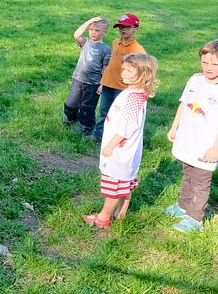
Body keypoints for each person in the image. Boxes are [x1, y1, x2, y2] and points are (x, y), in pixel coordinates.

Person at [83, 53, 158, 228]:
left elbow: (126, 128)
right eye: (123, 69)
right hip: (126, 150)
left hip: (119, 150)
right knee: (124, 181)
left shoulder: (133, 98)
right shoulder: (136, 92)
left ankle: (103, 218)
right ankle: (121, 212)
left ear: (143, 74)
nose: (123, 73)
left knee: (114, 187)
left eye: (129, 71)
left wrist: (110, 145)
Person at [166, 39, 218, 233]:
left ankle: (195, 218)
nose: (209, 67)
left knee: (201, 182)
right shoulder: (195, 79)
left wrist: (215, 147)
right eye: (205, 62)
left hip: (206, 145)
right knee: (188, 174)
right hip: (187, 139)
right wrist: (174, 127)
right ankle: (183, 205)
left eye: (215, 64)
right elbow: (184, 104)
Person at [92, 13, 146, 142]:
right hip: (108, 83)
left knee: (119, 114)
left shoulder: (138, 49)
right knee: (104, 111)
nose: (123, 30)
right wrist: (102, 81)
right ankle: (99, 135)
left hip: (122, 88)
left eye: (127, 27)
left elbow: (143, 68)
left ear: (136, 29)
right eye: (121, 27)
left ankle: (116, 138)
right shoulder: (115, 43)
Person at [64, 17, 111, 135]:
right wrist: (90, 21)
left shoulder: (106, 49)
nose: (93, 32)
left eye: (97, 30)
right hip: (78, 79)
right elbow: (76, 34)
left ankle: (85, 127)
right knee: (71, 103)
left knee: (87, 107)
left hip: (93, 84)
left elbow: (106, 69)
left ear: (104, 31)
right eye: (91, 29)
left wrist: (102, 84)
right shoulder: (86, 42)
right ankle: (70, 119)